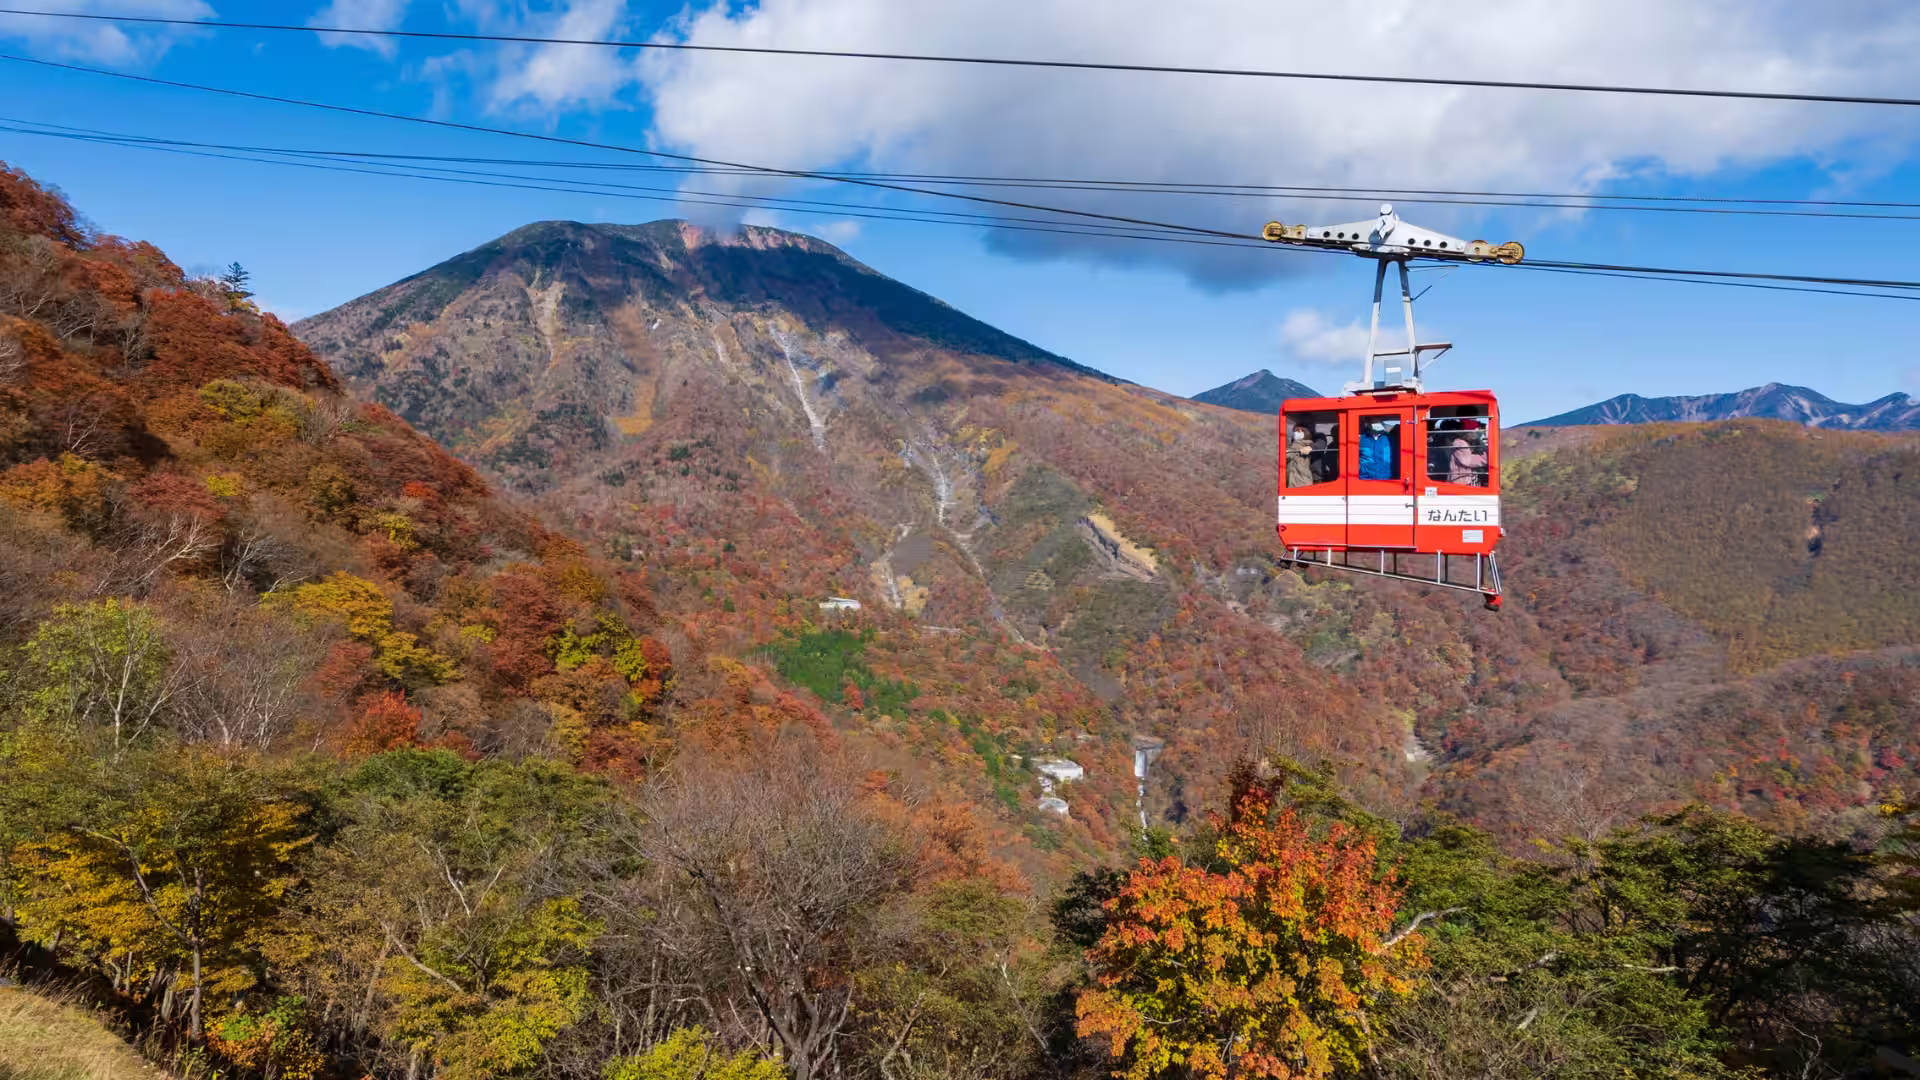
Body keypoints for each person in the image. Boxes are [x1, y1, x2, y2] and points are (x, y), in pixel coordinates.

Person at [1449, 418, 1489, 486]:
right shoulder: (1460, 443)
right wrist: (1486, 458)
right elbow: (1468, 461)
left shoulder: (1467, 443)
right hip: (1460, 482)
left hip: (1465, 480)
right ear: (1468, 432)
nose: (1476, 433)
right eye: (1475, 430)